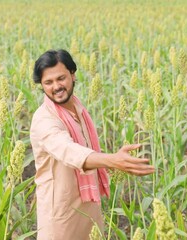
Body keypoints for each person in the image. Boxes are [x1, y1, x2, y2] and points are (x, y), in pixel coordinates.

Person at [30, 49, 155, 239]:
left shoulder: (78, 108)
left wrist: (111, 161)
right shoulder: (44, 119)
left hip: (89, 205)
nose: (56, 86)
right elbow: (68, 150)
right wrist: (112, 160)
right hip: (61, 213)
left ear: (72, 75)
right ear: (42, 85)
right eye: (48, 82)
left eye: (61, 78)